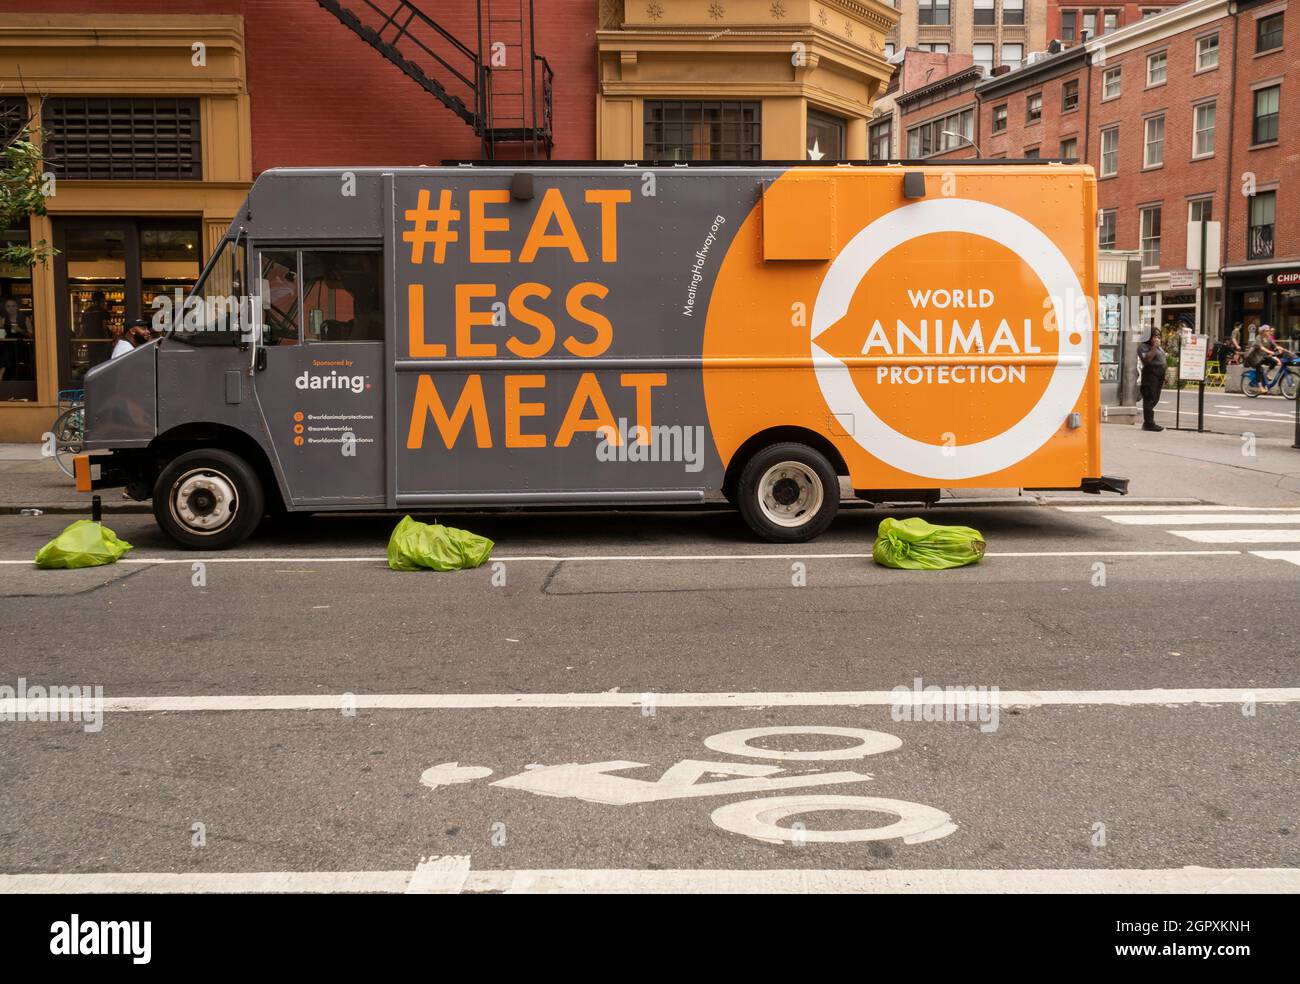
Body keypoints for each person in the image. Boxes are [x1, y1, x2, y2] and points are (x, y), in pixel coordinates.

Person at [1138, 326, 1166, 431]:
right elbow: (1147, 360)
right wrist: (1154, 347)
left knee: (1155, 398)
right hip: (1150, 373)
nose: (1157, 338)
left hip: (1159, 374)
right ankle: (1148, 423)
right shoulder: (1143, 347)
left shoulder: (1158, 347)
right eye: (1154, 336)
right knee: (1149, 398)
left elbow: (1162, 359)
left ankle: (1149, 422)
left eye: (1158, 336)